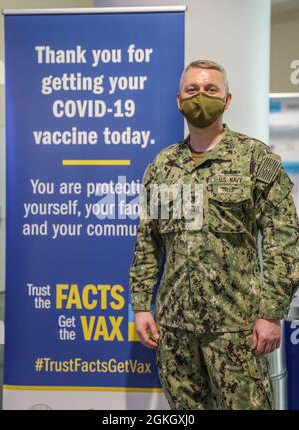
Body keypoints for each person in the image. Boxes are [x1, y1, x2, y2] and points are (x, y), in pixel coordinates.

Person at [129, 60, 299, 410]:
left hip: (237, 327)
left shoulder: (255, 160)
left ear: (227, 99)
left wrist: (271, 313)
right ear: (179, 100)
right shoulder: (162, 166)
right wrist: (142, 305)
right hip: (174, 328)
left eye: (211, 90)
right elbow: (149, 241)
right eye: (192, 90)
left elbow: (284, 240)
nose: (200, 97)